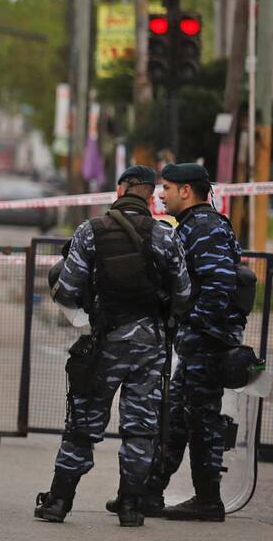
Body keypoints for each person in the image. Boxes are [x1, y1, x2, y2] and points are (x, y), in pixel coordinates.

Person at [34, 165, 190, 527]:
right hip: (151, 346)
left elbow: (68, 289)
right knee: (140, 429)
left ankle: (58, 502)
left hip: (104, 343)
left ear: (120, 190)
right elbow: (183, 294)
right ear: (150, 195)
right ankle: (130, 507)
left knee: (83, 425)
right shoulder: (166, 236)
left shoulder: (91, 231)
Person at [144, 163, 247, 522]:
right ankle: (149, 492)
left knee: (201, 420)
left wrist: (193, 326)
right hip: (199, 341)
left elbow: (219, 284)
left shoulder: (204, 226)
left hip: (207, 341)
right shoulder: (195, 224)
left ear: (186, 190)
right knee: (176, 416)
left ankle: (208, 500)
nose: (161, 194)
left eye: (168, 187)